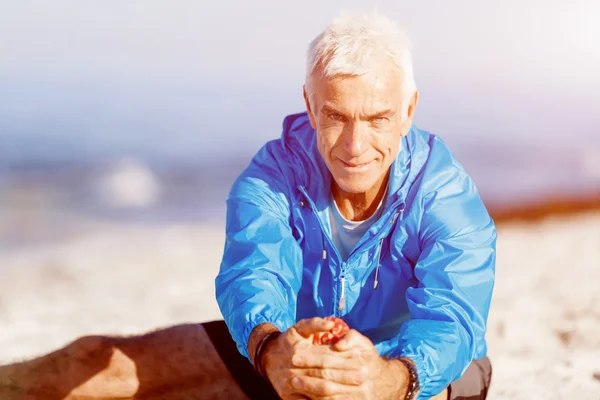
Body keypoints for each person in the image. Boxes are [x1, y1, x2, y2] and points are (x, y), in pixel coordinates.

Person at [0, 11, 494, 400]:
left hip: (418, 372)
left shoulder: (446, 193)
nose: (354, 145)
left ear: (408, 111)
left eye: (378, 118)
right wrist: (271, 347)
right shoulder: (272, 175)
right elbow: (254, 274)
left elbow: (453, 316)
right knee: (90, 363)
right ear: (309, 104)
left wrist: (389, 380)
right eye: (336, 116)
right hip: (288, 349)